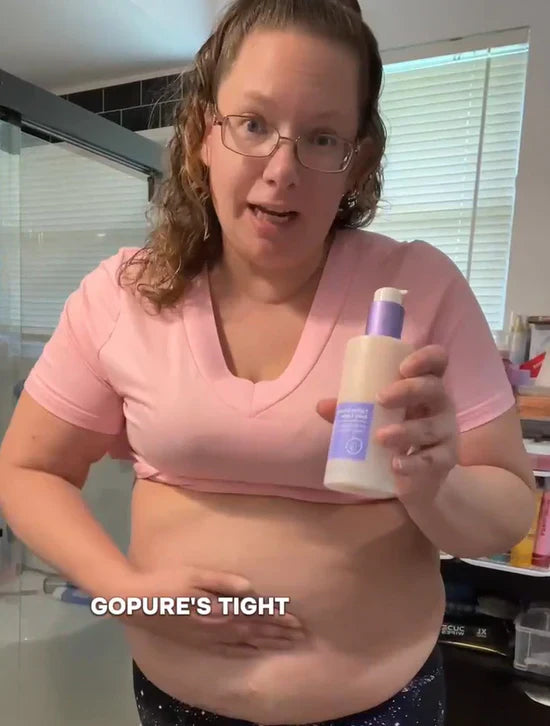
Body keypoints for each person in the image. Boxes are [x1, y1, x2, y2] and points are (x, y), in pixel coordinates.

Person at [0, 1, 536, 725]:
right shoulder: (121, 295)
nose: (282, 171)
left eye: (322, 137)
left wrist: (436, 483)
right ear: (204, 134)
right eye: (252, 124)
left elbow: (503, 517)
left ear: (357, 161)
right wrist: (125, 591)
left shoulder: (420, 291)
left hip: (381, 709)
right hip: (175, 705)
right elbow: (28, 470)